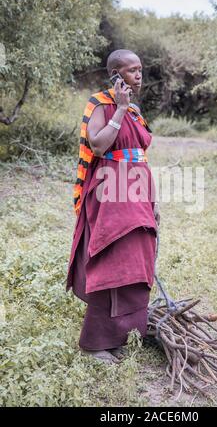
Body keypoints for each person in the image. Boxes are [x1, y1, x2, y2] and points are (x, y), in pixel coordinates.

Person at [66, 49, 160, 363]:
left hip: (137, 193)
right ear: (116, 76)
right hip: (110, 195)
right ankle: (94, 343)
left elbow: (140, 157)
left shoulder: (134, 110)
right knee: (112, 263)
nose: (138, 76)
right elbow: (98, 144)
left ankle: (118, 335)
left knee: (135, 264)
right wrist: (118, 110)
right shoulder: (100, 104)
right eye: (131, 71)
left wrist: (152, 201)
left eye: (140, 70)